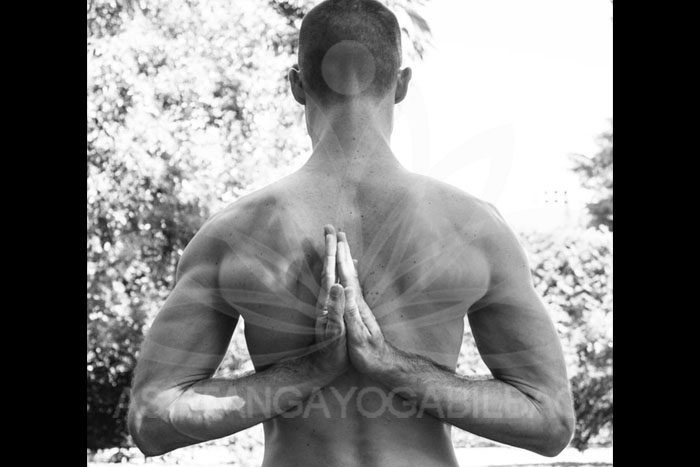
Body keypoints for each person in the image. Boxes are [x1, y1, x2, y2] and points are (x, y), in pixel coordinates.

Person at [127, 1, 575, 465]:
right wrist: (392, 367)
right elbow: (549, 420)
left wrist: (306, 373)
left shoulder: (231, 235)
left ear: (297, 85)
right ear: (401, 84)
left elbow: (153, 420)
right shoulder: (476, 229)